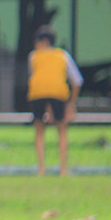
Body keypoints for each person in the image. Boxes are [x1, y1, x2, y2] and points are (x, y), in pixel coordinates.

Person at [28, 25, 83, 176]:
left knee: (39, 130)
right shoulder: (62, 55)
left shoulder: (33, 56)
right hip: (58, 93)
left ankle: (41, 169)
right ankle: (63, 169)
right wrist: (71, 103)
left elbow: (33, 76)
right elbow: (77, 81)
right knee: (62, 130)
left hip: (37, 93)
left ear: (44, 42)